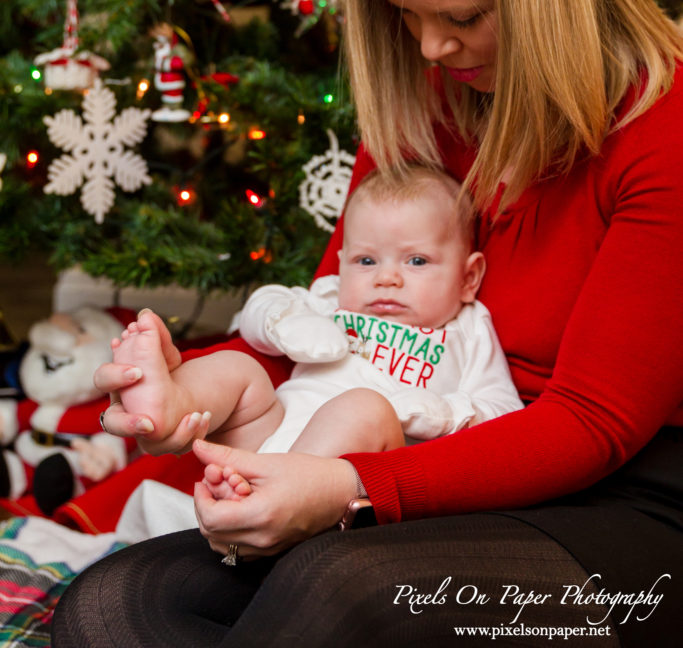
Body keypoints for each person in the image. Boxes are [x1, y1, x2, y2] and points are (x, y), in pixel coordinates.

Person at [52, 0, 683, 647]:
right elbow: (330, 319)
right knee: (111, 607)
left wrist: (350, 484)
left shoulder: (662, 132)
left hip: (628, 509)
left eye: (460, 17)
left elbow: (591, 425)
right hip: (406, 456)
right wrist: (184, 389)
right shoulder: (436, 91)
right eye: (405, 15)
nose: (428, 49)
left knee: (337, 594)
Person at [109, 167, 522, 492]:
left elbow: (507, 417)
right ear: (341, 263)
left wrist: (442, 413)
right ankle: (167, 403)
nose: (386, 279)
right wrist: (285, 324)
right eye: (365, 261)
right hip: (268, 436)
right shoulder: (330, 296)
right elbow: (259, 310)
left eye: (416, 262)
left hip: (345, 479)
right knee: (241, 369)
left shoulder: (469, 330)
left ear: (469, 278)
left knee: (364, 407)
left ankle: (277, 493)